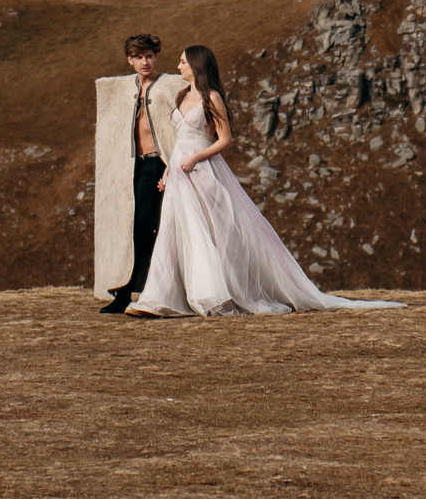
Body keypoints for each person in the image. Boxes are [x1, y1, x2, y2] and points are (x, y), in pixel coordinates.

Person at [128, 44, 403, 318]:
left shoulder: (211, 98)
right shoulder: (182, 96)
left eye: (183, 62)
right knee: (173, 235)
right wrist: (167, 171)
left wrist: (196, 158)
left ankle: (212, 295)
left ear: (197, 65)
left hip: (202, 172)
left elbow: (224, 139)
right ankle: (159, 299)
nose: (178, 67)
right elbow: (179, 142)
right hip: (179, 172)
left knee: (210, 234)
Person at [99, 32, 168, 315]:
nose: (145, 62)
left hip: (155, 164)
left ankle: (132, 292)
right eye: (138, 57)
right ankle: (123, 290)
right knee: (124, 225)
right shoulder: (126, 89)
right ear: (130, 59)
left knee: (144, 226)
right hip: (130, 165)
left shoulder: (167, 87)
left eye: (149, 56)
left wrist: (170, 168)